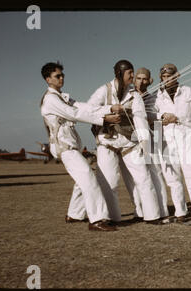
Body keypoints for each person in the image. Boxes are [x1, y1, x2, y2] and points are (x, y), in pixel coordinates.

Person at [40, 61, 118, 231]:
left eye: (62, 75)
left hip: (72, 147)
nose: (61, 78)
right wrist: (104, 119)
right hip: (65, 148)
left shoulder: (62, 97)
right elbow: (74, 114)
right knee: (89, 179)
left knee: (83, 178)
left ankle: (74, 214)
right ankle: (97, 220)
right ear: (48, 79)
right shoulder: (51, 99)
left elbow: (84, 107)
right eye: (57, 76)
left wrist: (109, 108)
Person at [87, 59, 164, 225]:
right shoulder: (103, 90)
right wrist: (107, 114)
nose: (132, 76)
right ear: (119, 74)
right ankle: (111, 217)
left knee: (143, 178)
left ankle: (152, 216)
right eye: (130, 73)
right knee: (109, 180)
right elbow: (89, 110)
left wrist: (144, 141)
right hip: (107, 142)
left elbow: (140, 117)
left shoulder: (134, 94)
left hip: (129, 142)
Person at [150, 63, 191, 223]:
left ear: (177, 75)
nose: (167, 79)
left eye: (170, 76)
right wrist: (163, 116)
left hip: (186, 137)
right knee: (173, 178)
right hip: (166, 140)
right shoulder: (155, 97)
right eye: (164, 77)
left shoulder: (188, 92)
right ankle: (180, 212)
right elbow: (150, 116)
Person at [129, 67, 170, 221]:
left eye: (144, 79)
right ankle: (139, 210)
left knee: (156, 174)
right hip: (131, 141)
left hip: (150, 140)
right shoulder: (128, 97)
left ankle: (162, 210)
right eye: (138, 78)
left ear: (149, 81)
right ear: (134, 80)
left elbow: (157, 117)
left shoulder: (153, 99)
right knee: (136, 178)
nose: (141, 82)